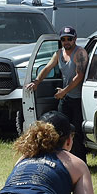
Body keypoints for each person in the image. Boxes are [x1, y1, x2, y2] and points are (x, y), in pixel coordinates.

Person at [25, 26, 89, 164]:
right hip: (65, 97)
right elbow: (47, 68)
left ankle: (80, 163)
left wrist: (64, 91)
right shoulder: (59, 53)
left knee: (76, 133)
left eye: (69, 39)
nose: (66, 42)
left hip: (78, 99)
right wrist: (36, 82)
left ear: (75, 39)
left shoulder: (80, 53)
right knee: (59, 129)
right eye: (63, 39)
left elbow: (79, 76)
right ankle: (61, 161)